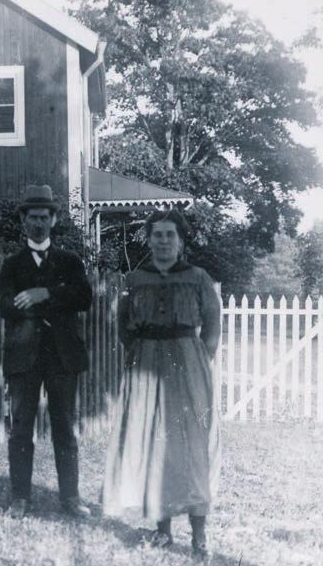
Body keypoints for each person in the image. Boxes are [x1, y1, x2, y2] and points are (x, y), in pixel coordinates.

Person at [102, 208, 221, 558]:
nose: (164, 241)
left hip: (188, 363)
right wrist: (143, 352)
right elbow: (123, 327)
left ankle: (199, 534)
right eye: (158, 235)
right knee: (154, 442)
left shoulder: (198, 277)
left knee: (193, 443)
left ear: (181, 241)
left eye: (171, 235)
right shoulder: (135, 280)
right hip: (147, 364)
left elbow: (213, 327)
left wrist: (199, 359)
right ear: (150, 239)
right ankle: (163, 530)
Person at [0, 184, 93, 519]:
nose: (38, 223)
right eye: (32, 217)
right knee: (21, 427)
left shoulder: (70, 262)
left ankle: (70, 498)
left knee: (64, 428)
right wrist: (53, 301)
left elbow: (83, 297)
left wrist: (43, 294)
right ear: (23, 220)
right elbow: (7, 306)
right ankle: (20, 498)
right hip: (24, 358)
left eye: (44, 217)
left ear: (54, 220)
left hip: (62, 357)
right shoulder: (11, 265)